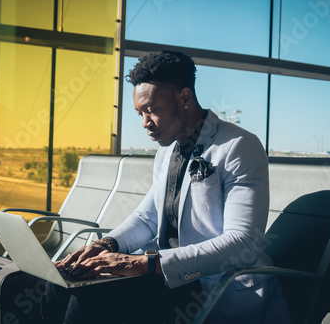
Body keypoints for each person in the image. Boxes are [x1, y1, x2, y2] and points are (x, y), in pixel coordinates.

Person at [45, 50, 289, 324]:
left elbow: (243, 243)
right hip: (166, 279)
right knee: (60, 282)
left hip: (210, 285)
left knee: (88, 297)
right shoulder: (167, 151)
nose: (145, 124)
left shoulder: (239, 146)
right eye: (139, 113)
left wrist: (143, 264)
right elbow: (146, 218)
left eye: (151, 110)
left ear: (184, 98)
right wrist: (105, 244)